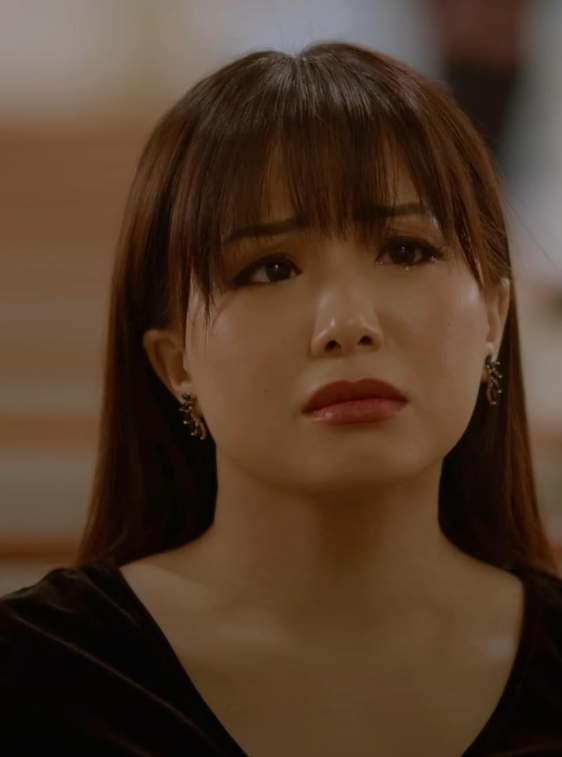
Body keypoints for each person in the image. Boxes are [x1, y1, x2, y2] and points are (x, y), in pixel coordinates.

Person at [1, 40, 562, 757]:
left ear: (494, 319)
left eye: (405, 250)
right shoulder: (36, 674)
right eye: (270, 268)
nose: (348, 324)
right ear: (176, 364)